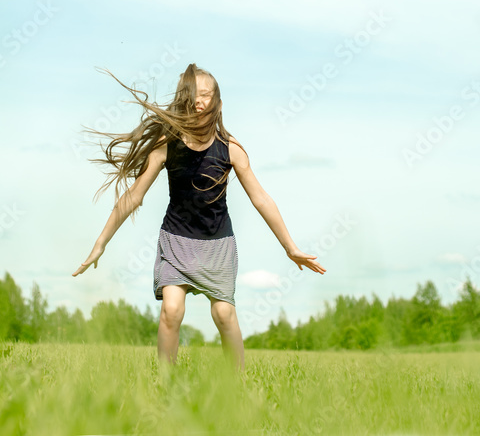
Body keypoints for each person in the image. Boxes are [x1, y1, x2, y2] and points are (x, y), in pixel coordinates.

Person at [72, 63, 326, 372]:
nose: (198, 101)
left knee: (223, 315)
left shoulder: (231, 149)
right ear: (183, 99)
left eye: (206, 95)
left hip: (218, 244)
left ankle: (237, 385)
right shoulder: (166, 145)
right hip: (176, 240)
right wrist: (101, 243)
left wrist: (290, 247)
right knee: (171, 310)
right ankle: (164, 384)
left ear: (218, 102)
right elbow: (133, 197)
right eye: (193, 94)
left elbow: (261, 199)